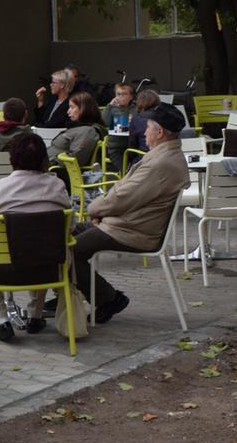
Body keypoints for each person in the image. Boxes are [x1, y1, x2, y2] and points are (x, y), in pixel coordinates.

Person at [73, 104, 190, 324]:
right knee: (70, 233)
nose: (144, 132)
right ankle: (70, 293)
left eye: (147, 128)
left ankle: (108, 298)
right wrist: (103, 213)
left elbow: (122, 197)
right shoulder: (165, 156)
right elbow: (126, 196)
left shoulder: (161, 163)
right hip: (128, 224)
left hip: (132, 231)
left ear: (160, 132)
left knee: (68, 251)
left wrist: (96, 209)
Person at [0, 133, 70, 337]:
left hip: (5, 270)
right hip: (50, 268)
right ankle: (35, 315)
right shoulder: (58, 187)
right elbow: (70, 227)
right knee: (42, 247)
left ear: (11, 159)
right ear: (44, 159)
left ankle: (1, 319)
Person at [48, 91, 106, 169]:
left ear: (84, 108)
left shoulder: (88, 131)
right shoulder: (79, 127)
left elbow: (76, 158)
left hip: (54, 170)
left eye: (72, 107)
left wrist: (50, 162)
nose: (68, 112)